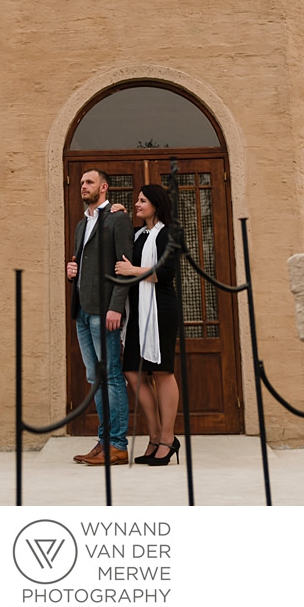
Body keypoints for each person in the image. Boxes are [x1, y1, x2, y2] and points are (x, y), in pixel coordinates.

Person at [65, 168, 135, 466]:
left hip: (105, 311)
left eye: (89, 182)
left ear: (103, 187)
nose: (83, 186)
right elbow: (83, 263)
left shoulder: (118, 219)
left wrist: (116, 306)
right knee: (95, 378)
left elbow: (125, 266)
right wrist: (72, 274)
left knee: (111, 377)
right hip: (82, 310)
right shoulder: (83, 224)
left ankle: (118, 445)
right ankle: (103, 441)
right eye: (81, 182)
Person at [115, 183, 182, 466]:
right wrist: (113, 213)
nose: (137, 204)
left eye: (143, 200)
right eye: (136, 201)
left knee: (162, 371)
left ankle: (167, 438)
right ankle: (154, 435)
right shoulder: (138, 234)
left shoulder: (168, 232)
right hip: (138, 311)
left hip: (161, 308)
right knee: (133, 371)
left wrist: (134, 271)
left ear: (156, 203)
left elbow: (167, 272)